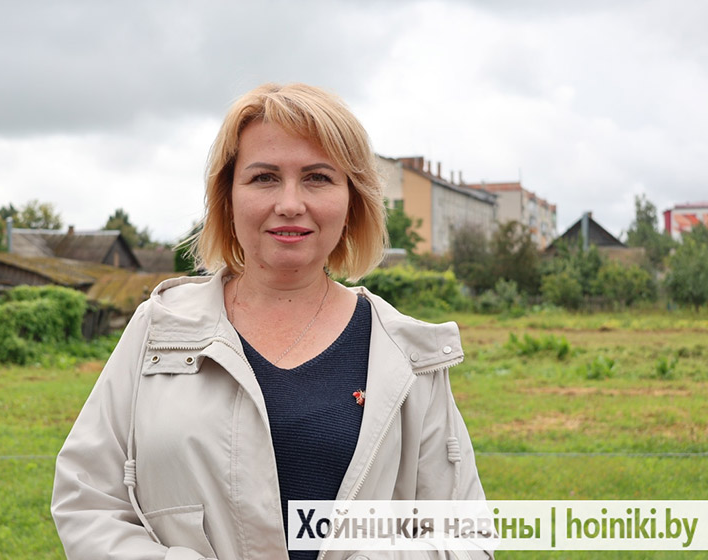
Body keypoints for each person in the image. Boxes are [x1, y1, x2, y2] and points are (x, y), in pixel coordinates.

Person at [51, 83, 493, 559]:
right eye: (264, 177)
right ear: (227, 197)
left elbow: (466, 538)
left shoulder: (408, 356)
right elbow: (87, 501)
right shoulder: (160, 332)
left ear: (352, 200)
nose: (289, 203)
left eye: (317, 177)